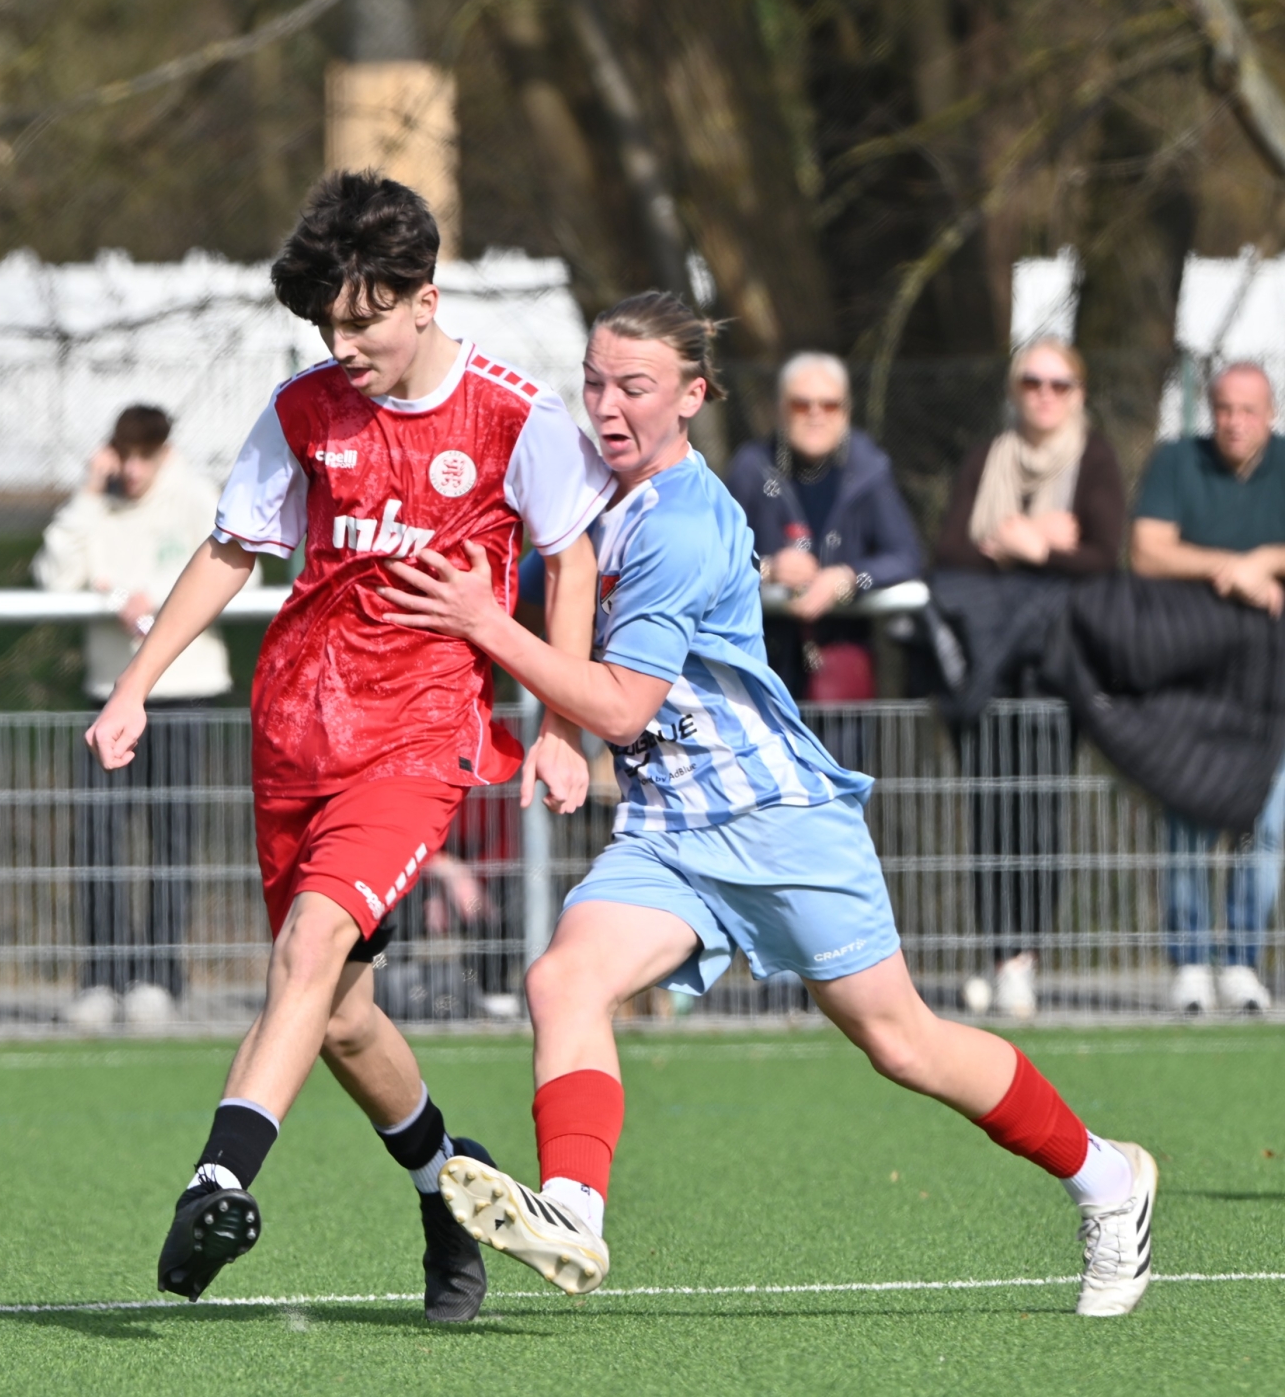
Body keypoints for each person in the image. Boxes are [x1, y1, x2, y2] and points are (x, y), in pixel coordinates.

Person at [381, 291, 1156, 1320]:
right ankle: (573, 1209)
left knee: (904, 1043)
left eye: (635, 387)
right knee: (563, 980)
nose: (606, 406)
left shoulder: (683, 525)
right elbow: (564, 593)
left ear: (692, 397)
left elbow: (623, 703)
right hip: (669, 831)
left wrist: (490, 627)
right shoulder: (591, 485)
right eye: (595, 382)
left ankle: (1108, 1180)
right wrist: (548, 718)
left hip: (776, 823)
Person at [84, 171, 608, 1321]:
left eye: (364, 320)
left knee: (311, 946)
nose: (344, 344)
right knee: (336, 1013)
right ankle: (445, 1186)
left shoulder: (516, 418)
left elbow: (570, 561)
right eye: (328, 324)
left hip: (419, 740)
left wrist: (562, 727)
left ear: (426, 299)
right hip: (294, 734)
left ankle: (218, 1182)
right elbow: (232, 548)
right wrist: (135, 686)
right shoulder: (303, 411)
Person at [34, 405, 247, 1029]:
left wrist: (153, 594)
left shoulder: (194, 495)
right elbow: (54, 578)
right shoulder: (97, 502)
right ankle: (101, 978)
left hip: (184, 690)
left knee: (171, 835)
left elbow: (230, 563)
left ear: (163, 453)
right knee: (98, 837)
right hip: (109, 693)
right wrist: (86, 496)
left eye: (143, 457)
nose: (131, 470)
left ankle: (159, 976)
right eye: (122, 456)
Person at [930, 338, 1124, 1019]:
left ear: (1078, 393)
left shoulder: (1094, 460)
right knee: (990, 812)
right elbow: (949, 550)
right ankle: (996, 952)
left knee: (1038, 813)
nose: (1045, 395)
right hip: (986, 669)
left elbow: (1103, 557)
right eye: (1032, 382)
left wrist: (1032, 548)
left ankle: (1024, 957)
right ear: (1015, 390)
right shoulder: (989, 457)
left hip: (1053, 671)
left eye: (1059, 384)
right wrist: (1024, 541)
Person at [1130, 361, 1285, 1015]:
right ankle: (1190, 961)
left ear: (1270, 413)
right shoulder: (1175, 462)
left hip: (1272, 682)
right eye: (1224, 408)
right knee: (1187, 820)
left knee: (1267, 825)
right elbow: (1148, 551)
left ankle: (1243, 962)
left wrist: (1266, 560)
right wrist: (1232, 568)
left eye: (1248, 410)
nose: (1235, 422)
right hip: (1190, 672)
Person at [725, 353, 923, 705]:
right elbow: (715, 558)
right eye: (801, 404)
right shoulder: (750, 468)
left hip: (842, 667)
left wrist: (850, 579)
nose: (816, 415)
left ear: (846, 411)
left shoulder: (869, 470)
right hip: (761, 664)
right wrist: (768, 569)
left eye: (829, 405)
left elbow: (906, 556)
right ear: (780, 410)